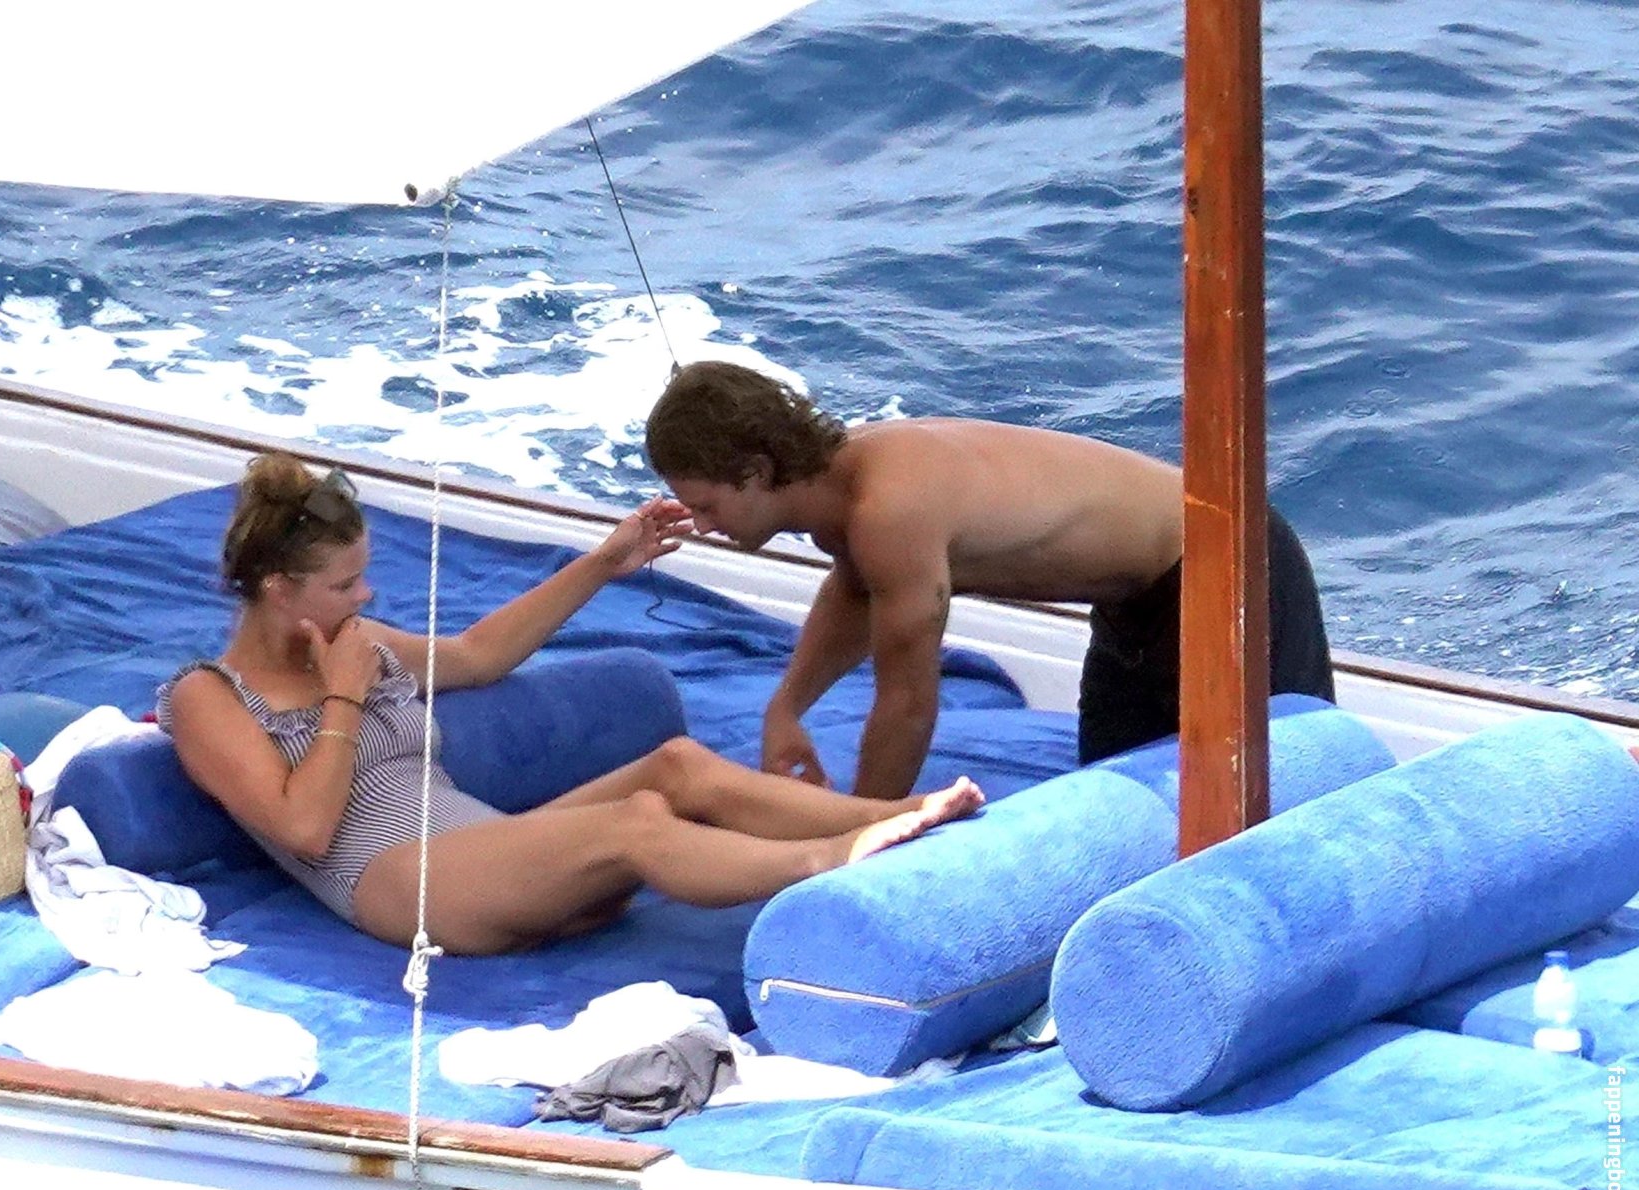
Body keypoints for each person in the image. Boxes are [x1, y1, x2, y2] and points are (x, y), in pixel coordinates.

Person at [159, 453, 985, 956]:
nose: (365, 596)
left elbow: (478, 656)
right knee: (635, 824)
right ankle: (829, 861)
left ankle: (896, 815)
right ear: (278, 589)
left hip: (484, 847)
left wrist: (604, 562)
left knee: (677, 767)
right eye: (345, 585)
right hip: (397, 885)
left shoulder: (358, 639)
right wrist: (343, 695)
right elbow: (304, 830)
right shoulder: (207, 697)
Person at [643, 360, 1335, 795]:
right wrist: (786, 709)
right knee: (1118, 800)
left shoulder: (889, 509)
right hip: (1135, 604)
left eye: (706, 506)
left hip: (1228, 558)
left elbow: (908, 705)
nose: (700, 525)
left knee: (1280, 797)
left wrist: (858, 838)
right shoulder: (842, 491)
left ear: (757, 473)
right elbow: (854, 589)